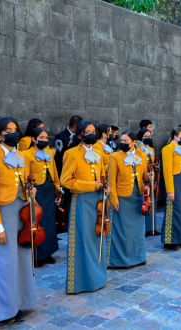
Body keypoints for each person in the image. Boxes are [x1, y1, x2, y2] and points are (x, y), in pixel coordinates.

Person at [0, 116, 36, 322]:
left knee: (20, 262)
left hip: (21, 212)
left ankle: (16, 304)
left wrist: (31, 191)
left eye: (15, 130)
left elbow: (23, 184)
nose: (14, 134)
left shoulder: (21, 155)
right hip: (2, 215)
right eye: (8, 131)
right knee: (1, 263)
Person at [60, 121, 109, 293]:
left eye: (93, 131)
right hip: (81, 201)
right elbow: (65, 181)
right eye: (87, 132)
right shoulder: (71, 154)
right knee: (83, 240)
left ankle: (98, 277)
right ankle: (82, 281)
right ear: (80, 135)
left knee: (97, 238)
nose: (91, 134)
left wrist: (104, 186)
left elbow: (102, 176)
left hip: (97, 200)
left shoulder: (98, 152)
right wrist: (91, 185)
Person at [108, 131, 149, 268]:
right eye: (122, 140)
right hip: (122, 197)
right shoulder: (115, 156)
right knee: (122, 230)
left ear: (133, 142)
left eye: (126, 141)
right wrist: (113, 200)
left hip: (138, 196)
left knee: (138, 230)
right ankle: (121, 260)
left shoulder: (142, 156)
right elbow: (111, 181)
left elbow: (144, 176)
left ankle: (139, 257)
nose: (123, 143)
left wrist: (150, 175)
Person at [22, 127, 61, 267]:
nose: (44, 140)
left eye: (46, 138)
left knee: (50, 223)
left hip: (49, 191)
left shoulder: (49, 153)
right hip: (36, 192)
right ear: (33, 139)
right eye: (41, 138)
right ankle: (37, 256)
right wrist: (29, 195)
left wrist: (58, 191)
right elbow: (25, 176)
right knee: (37, 222)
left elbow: (55, 173)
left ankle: (48, 253)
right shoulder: (26, 154)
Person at [161, 127, 181, 251]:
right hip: (174, 182)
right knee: (173, 211)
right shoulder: (167, 149)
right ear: (175, 137)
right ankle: (170, 241)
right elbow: (167, 172)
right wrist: (170, 190)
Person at [53, 116, 83, 227]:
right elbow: (59, 158)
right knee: (65, 202)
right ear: (76, 126)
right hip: (64, 171)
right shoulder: (61, 136)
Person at [137, 129, 160, 236]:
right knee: (144, 201)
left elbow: (152, 163)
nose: (148, 138)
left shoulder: (151, 149)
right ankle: (145, 229)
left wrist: (156, 166)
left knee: (151, 201)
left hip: (151, 177)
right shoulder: (137, 149)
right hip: (142, 176)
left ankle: (152, 228)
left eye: (149, 136)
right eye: (145, 136)